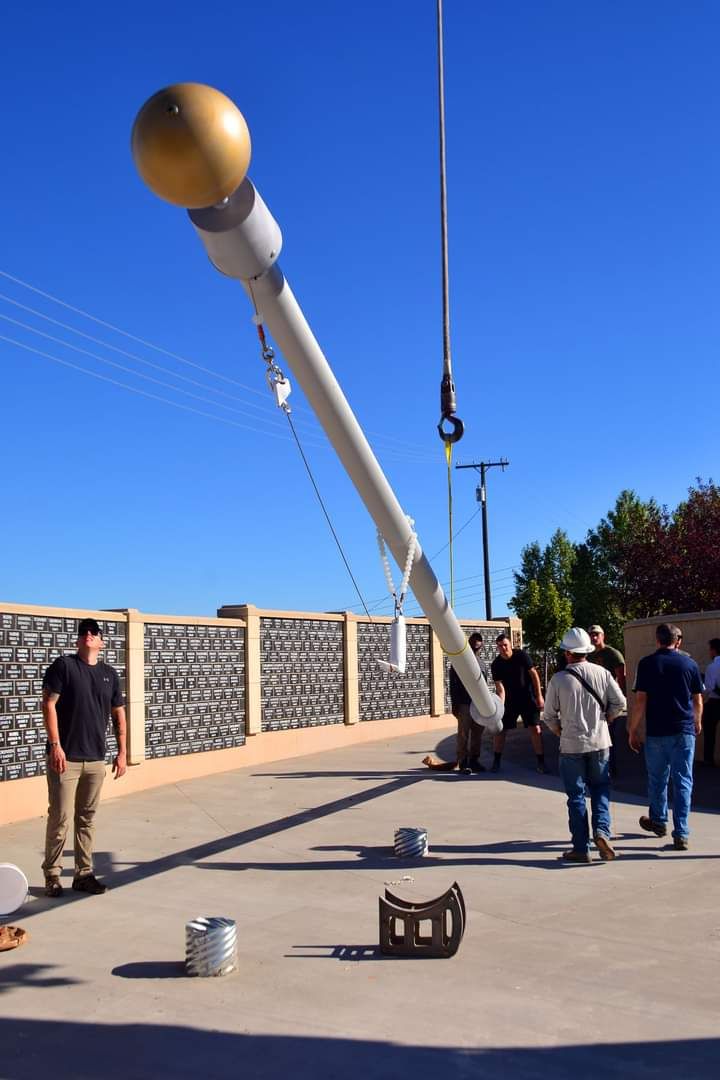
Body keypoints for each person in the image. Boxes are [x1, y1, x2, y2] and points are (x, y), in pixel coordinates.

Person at [41, 618, 127, 897]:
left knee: (86, 818)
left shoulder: (110, 674)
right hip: (65, 759)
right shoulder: (64, 666)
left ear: (101, 642)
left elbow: (119, 713)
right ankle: (53, 876)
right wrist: (56, 745)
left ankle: (84, 874)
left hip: (95, 760)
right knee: (60, 818)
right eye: (83, 632)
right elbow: (48, 704)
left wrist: (122, 751)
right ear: (78, 640)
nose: (88, 635)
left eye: (94, 632)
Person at [543, 627, 627, 863]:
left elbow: (548, 715)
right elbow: (620, 702)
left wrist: (559, 731)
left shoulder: (558, 679)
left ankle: (581, 847)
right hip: (600, 742)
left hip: (571, 745)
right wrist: (608, 718)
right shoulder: (602, 672)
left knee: (576, 796)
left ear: (568, 653)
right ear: (587, 651)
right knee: (600, 789)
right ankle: (602, 832)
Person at [628, 623, 703, 851]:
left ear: (657, 639)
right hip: (683, 730)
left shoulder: (647, 664)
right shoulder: (689, 664)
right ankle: (681, 832)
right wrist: (697, 721)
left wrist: (633, 729)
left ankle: (659, 821)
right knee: (683, 781)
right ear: (677, 641)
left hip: (657, 731)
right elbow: (697, 699)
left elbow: (641, 701)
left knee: (657, 779)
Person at [490, 632, 546, 773]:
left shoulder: (521, 655)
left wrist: (539, 696)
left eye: (505, 645)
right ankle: (496, 761)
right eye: (500, 646)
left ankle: (541, 762)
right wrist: (500, 707)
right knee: (500, 730)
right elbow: (500, 688)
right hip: (510, 701)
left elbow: (534, 675)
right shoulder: (496, 665)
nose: (503, 648)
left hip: (528, 698)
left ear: (510, 645)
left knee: (535, 729)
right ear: (497, 648)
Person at [587, 625, 626, 777]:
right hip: (593, 701)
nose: (594, 637)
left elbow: (621, 678)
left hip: (609, 700)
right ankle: (597, 767)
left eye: (596, 634)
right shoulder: (588, 655)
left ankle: (610, 767)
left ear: (603, 636)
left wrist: (620, 698)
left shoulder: (613, 654)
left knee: (608, 734)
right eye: (591, 635)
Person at [449, 633, 488, 775]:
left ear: (482, 644)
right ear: (469, 643)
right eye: (474, 640)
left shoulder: (483, 664)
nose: (476, 643)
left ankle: (474, 760)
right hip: (464, 704)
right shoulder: (459, 661)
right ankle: (462, 762)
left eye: (479, 640)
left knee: (478, 734)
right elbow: (452, 684)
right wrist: (454, 703)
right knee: (463, 734)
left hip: (479, 705)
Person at [701, 638, 720, 766]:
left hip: (715, 702)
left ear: (713, 650)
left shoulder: (712, 667)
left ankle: (709, 760)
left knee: (709, 732)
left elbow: (708, 688)